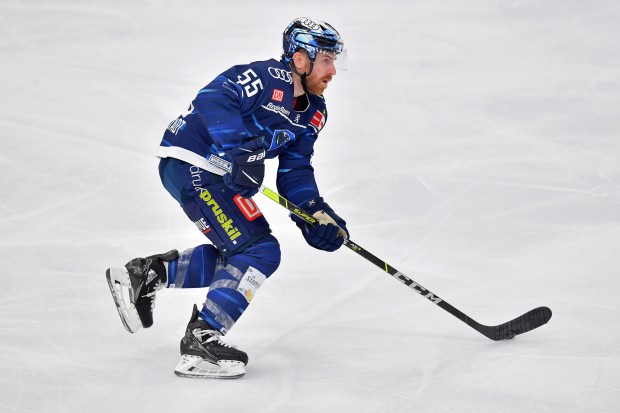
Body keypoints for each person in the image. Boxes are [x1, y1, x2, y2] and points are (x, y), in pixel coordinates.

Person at [106, 17, 349, 379]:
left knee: (242, 255)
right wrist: (238, 149)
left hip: (217, 176)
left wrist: (314, 213)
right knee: (258, 251)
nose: (333, 70)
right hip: (195, 162)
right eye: (327, 59)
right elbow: (215, 97)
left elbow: (295, 170)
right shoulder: (270, 78)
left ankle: (150, 274)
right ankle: (201, 341)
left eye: (335, 61)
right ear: (300, 59)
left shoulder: (314, 113)